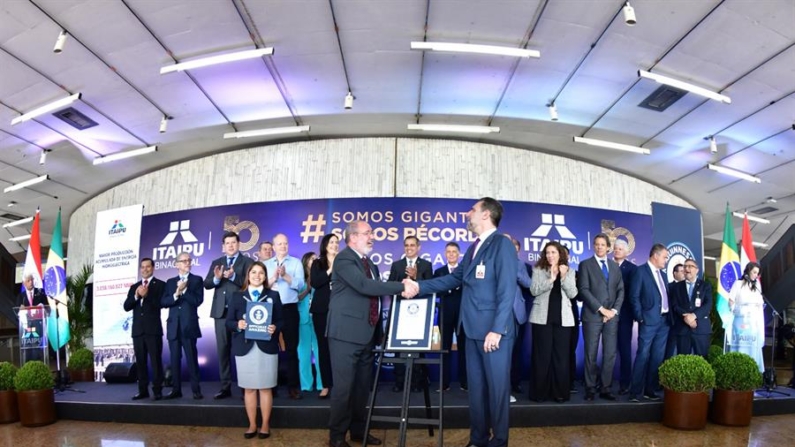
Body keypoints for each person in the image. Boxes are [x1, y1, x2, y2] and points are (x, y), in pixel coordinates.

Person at [408, 197, 517, 447]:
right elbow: (452, 279)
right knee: (476, 393)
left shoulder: (502, 245)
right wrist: (418, 286)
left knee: (497, 393)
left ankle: (498, 441)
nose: (468, 213)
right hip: (470, 330)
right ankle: (478, 439)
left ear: (485, 215)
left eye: (473, 210)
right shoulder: (473, 247)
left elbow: (507, 290)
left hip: (493, 334)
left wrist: (497, 330)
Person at [327, 220, 409, 447]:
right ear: (353, 237)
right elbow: (364, 286)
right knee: (344, 389)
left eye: (371, 233)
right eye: (367, 233)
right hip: (344, 335)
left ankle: (357, 431)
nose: (372, 237)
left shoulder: (369, 262)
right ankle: (336, 437)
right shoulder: (344, 259)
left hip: (366, 334)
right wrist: (402, 286)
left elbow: (375, 294)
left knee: (362, 389)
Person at [226, 262, 282, 439]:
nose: (257, 275)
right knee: (249, 389)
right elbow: (228, 322)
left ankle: (265, 424)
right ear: (248, 275)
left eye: (261, 273)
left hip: (266, 347)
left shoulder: (273, 295)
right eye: (253, 272)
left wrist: (275, 327)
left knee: (265, 388)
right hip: (245, 347)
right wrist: (238, 325)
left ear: (265, 277)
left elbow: (282, 321)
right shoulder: (237, 296)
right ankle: (252, 425)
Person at [203, 231, 253, 399]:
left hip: (240, 314)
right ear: (223, 246)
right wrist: (217, 279)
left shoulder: (247, 262)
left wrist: (234, 276)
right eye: (227, 243)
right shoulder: (216, 262)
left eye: (233, 242)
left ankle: (246, 387)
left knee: (242, 351)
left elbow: (249, 283)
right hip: (220, 314)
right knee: (223, 351)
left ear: (239, 244)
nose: (231, 245)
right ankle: (225, 387)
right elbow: (207, 283)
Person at [529, 241, 577, 403]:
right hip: (542, 319)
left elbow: (572, 293)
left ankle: (560, 393)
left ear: (560, 254)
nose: (550, 256)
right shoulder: (538, 269)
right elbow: (534, 290)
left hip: (563, 320)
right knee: (542, 357)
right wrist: (551, 279)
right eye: (548, 253)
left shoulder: (570, 271)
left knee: (561, 357)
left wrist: (563, 277)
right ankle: (539, 393)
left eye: (553, 253)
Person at [577, 234, 623, 401]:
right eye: (596, 244)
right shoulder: (585, 265)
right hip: (593, 316)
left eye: (602, 244)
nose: (599, 247)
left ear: (608, 247)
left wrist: (613, 311)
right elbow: (583, 290)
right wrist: (602, 309)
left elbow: (620, 290)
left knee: (610, 353)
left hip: (612, 317)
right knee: (590, 353)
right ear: (593, 246)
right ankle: (590, 388)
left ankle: (605, 387)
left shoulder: (614, 266)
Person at [388, 236, 433, 393]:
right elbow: (389, 287)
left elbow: (430, 287)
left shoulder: (426, 265)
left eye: (412, 245)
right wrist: (402, 285)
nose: (409, 248)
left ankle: (417, 382)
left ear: (418, 247)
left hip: (419, 313)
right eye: (406, 245)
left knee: (418, 348)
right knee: (399, 349)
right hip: (400, 313)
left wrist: (416, 277)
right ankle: (399, 382)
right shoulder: (397, 265)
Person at [264, 233, 305, 399]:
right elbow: (262, 286)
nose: (283, 246)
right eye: (279, 244)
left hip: (289, 309)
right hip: (270, 309)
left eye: (285, 243)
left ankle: (293, 387)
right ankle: (269, 386)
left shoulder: (296, 263)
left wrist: (286, 276)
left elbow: (301, 285)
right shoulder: (265, 264)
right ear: (273, 247)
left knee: (291, 349)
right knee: (269, 348)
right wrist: (275, 276)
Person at [628, 243, 671, 402]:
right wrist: (640, 317)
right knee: (643, 355)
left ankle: (650, 390)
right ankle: (635, 392)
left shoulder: (664, 274)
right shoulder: (640, 271)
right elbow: (634, 297)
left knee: (657, 358)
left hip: (664, 322)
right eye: (665, 257)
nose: (666, 260)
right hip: (648, 321)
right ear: (656, 255)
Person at [161, 252, 204, 400]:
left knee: (192, 359)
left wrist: (184, 290)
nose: (187, 263)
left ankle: (196, 390)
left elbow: (197, 301)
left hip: (189, 326)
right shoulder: (170, 282)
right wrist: (176, 294)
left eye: (189, 260)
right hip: (173, 327)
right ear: (176, 264)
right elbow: (164, 302)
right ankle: (175, 390)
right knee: (174, 360)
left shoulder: (197, 280)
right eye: (184, 261)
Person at [123, 258, 166, 400]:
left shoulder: (160, 285)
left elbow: (161, 304)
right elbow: (126, 306)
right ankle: (143, 390)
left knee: (155, 361)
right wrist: (136, 295)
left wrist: (147, 296)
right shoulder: (134, 286)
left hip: (153, 330)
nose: (145, 269)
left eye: (148, 266)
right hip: (138, 331)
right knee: (140, 362)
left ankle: (158, 390)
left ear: (153, 268)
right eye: (142, 267)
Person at [434, 242, 467, 392]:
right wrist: (449, 288)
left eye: (454, 251)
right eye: (449, 252)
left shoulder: (466, 270)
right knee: (444, 350)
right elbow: (437, 290)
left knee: (464, 350)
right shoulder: (439, 272)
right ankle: (444, 384)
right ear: (445, 254)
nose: (452, 254)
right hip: (445, 316)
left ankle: (465, 383)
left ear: (459, 254)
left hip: (463, 316)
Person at [310, 233, 339, 399]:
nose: (334, 245)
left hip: (340, 311)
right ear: (325, 245)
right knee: (323, 348)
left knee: (339, 349)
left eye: (336, 242)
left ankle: (340, 385)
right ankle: (326, 385)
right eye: (331, 242)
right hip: (321, 310)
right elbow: (315, 282)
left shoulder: (344, 262)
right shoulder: (317, 263)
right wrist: (330, 268)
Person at [671, 258, 712, 357]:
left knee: (702, 361)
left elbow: (708, 304)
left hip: (701, 328)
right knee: (682, 362)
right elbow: (675, 305)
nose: (687, 269)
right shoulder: (676, 287)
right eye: (685, 266)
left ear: (697, 270)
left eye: (690, 266)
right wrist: (686, 318)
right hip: (682, 329)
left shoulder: (705, 286)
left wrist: (694, 316)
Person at [728, 261, 765, 372]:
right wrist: (736, 309)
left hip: (753, 323)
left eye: (757, 273)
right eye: (754, 272)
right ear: (748, 271)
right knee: (740, 347)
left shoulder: (757, 286)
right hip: (740, 321)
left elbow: (760, 303)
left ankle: (751, 373)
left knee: (752, 348)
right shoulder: (738, 284)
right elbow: (731, 301)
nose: (755, 275)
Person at [612, 238, 637, 395]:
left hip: (625, 315)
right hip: (606, 314)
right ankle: (604, 382)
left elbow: (632, 293)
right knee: (608, 350)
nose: (617, 250)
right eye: (615, 248)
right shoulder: (606, 266)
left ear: (627, 252)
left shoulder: (632, 269)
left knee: (624, 350)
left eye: (620, 249)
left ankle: (625, 383)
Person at [509, 236, 532, 401]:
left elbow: (529, 284)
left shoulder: (520, 265)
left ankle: (514, 383)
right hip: (497, 314)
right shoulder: (493, 261)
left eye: (514, 248)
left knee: (515, 352)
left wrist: (515, 270)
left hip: (517, 313)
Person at [298, 252, 323, 393]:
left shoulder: (321, 277)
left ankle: (321, 384)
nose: (314, 260)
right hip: (303, 320)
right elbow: (294, 298)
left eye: (316, 258)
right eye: (311, 258)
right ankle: (306, 385)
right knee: (303, 354)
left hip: (318, 319)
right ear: (306, 261)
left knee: (320, 353)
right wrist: (307, 289)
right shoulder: (299, 279)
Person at [17, 273, 48, 363]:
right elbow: (17, 313)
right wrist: (20, 310)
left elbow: (46, 307)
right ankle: (28, 364)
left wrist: (41, 306)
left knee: (38, 347)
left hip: (38, 326)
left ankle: (39, 364)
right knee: (29, 349)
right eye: (28, 281)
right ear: (24, 283)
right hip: (26, 328)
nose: (31, 282)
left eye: (32, 280)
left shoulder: (40, 293)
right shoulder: (21, 297)